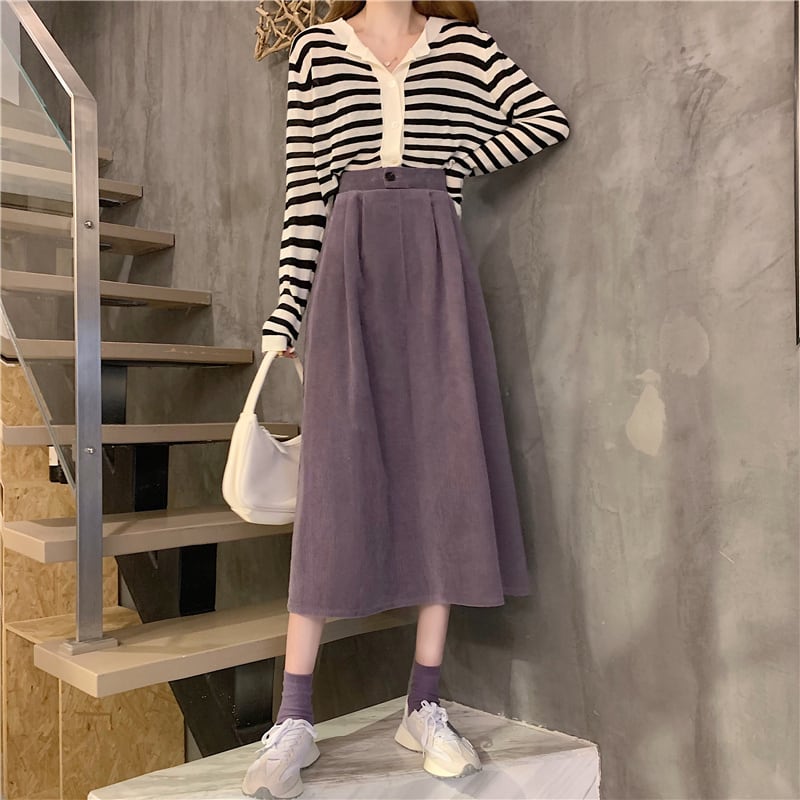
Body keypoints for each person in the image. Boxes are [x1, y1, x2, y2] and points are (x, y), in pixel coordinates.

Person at [243, 1, 570, 797]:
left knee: (442, 473)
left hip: (435, 266)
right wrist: (286, 310)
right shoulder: (315, 54)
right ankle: (294, 717)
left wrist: (453, 164)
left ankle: (423, 704)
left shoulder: (463, 48)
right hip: (348, 268)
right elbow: (304, 193)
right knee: (333, 484)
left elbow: (545, 120)